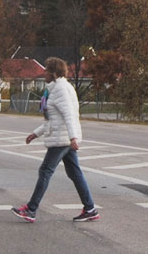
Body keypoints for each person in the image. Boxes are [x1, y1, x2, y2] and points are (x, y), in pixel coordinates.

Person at [12, 56, 99, 223]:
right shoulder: (58, 88)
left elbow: (69, 115)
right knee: (74, 172)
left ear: (53, 72)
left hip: (62, 139)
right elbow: (54, 119)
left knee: (45, 171)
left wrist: (73, 137)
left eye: (46, 70)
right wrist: (36, 133)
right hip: (63, 136)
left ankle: (31, 209)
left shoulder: (60, 89)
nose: (44, 72)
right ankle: (90, 208)